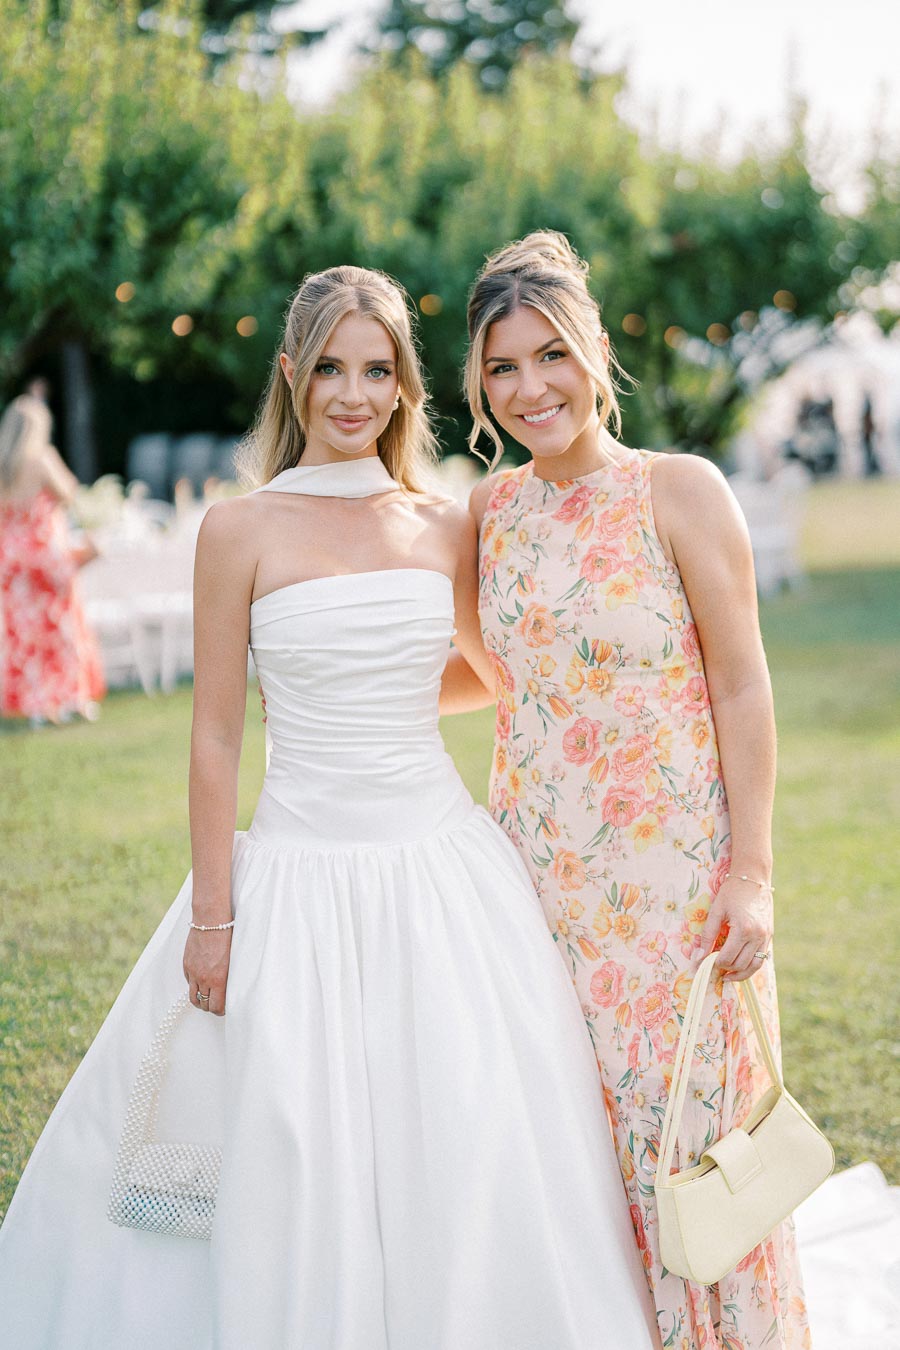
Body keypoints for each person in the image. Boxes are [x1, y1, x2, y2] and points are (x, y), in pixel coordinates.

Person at [0, 266, 659, 1350]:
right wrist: (214, 917)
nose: (354, 395)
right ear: (292, 377)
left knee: (464, 1130)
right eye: (331, 370)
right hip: (295, 874)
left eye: (378, 370)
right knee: (291, 1140)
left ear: (404, 384)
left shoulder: (442, 523)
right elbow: (214, 736)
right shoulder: (241, 530)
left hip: (442, 871)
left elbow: (495, 671)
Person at [458, 232, 811, 1349]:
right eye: (501, 368)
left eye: (549, 355)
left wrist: (749, 874)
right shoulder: (488, 515)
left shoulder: (681, 491)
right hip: (536, 890)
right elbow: (488, 674)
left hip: (673, 895)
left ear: (596, 348)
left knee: (690, 1149)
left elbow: (744, 685)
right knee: (569, 1143)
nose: (529, 389)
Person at [0, 388, 104, 725]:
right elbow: (68, 491)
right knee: (63, 628)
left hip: (11, 560)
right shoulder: (41, 458)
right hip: (45, 555)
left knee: (23, 635)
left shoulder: (3, 465)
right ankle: (71, 698)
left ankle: (35, 705)